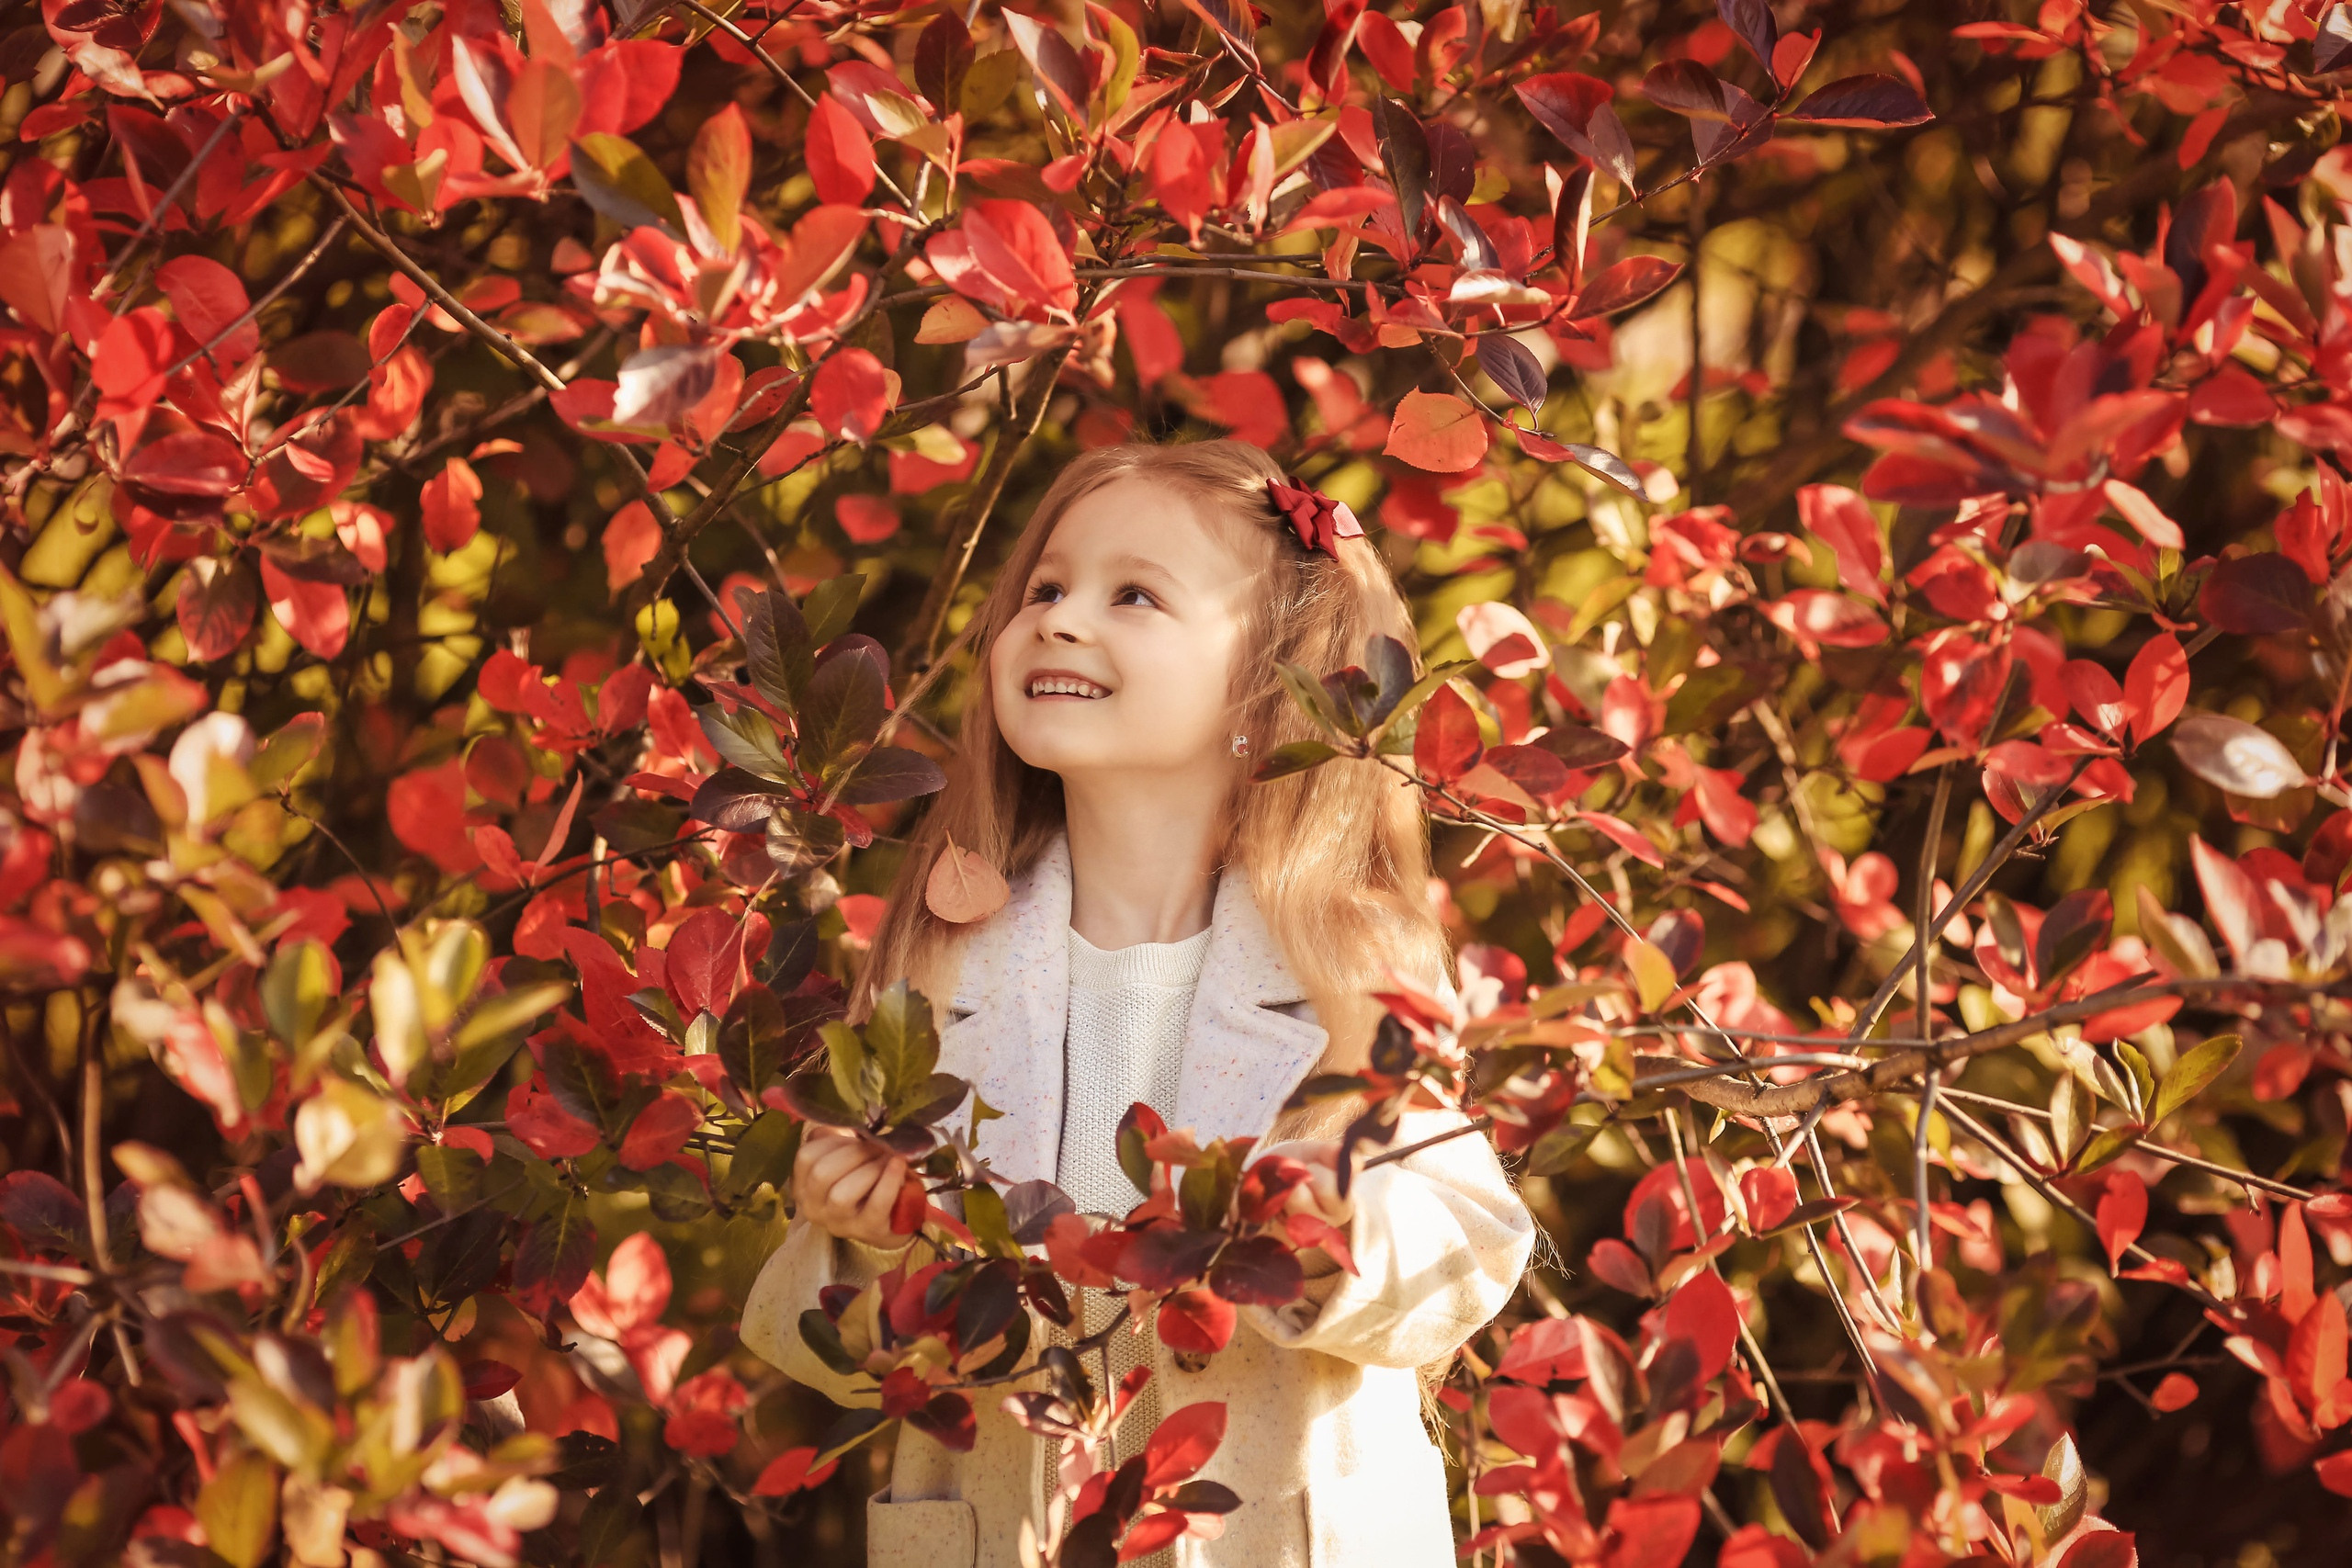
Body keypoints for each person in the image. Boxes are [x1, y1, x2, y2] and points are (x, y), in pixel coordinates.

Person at [740, 440, 1536, 1567]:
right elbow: (828, 1351)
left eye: (1134, 595)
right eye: (1048, 588)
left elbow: (1464, 1262)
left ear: (1270, 681)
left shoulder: (1351, 961)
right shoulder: (941, 954)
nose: (1061, 620)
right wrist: (856, 1242)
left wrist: (1339, 1238)